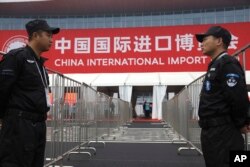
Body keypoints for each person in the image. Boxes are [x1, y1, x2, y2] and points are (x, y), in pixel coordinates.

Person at [0, 19, 60, 167]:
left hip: (38, 124)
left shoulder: (40, 64)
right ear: (35, 36)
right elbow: (2, 89)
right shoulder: (16, 57)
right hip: (20, 124)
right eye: (48, 35)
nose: (51, 40)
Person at [195, 26, 250, 167]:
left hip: (224, 132)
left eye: (205, 39)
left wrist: (241, 123)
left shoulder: (228, 64)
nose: (201, 44)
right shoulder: (216, 64)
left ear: (219, 41)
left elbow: (238, 97)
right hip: (213, 132)